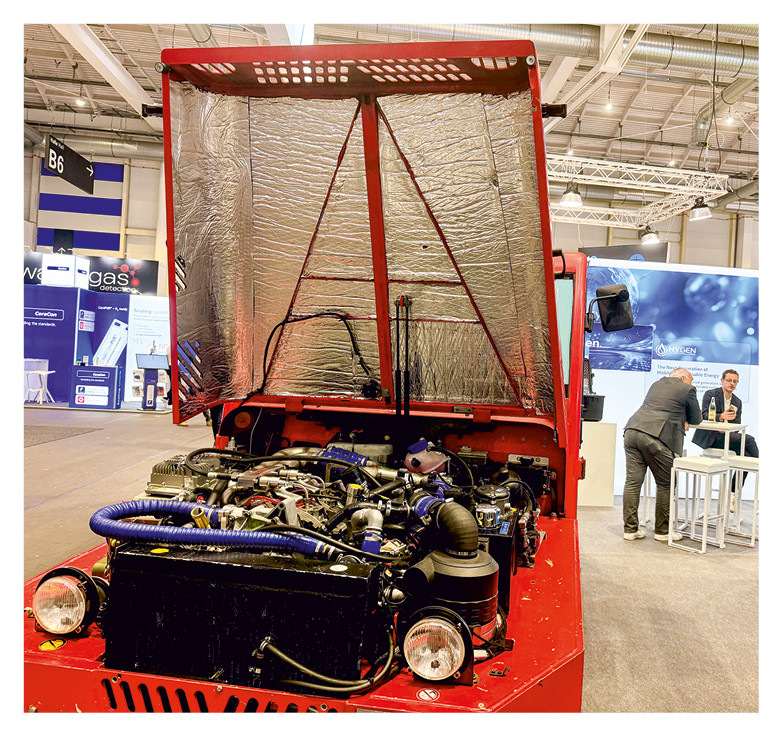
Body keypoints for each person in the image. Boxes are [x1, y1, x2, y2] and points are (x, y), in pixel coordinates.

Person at [622, 367, 702, 542]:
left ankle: (630, 530)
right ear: (683, 378)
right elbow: (697, 419)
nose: (692, 384)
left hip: (632, 431)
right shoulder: (687, 389)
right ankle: (662, 531)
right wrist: (684, 419)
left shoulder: (656, 384)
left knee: (633, 483)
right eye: (691, 380)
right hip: (657, 436)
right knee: (666, 484)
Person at [692, 368, 758, 502]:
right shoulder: (711, 394)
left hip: (728, 437)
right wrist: (720, 417)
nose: (731, 383)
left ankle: (732, 494)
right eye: (728, 380)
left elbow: (737, 423)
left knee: (746, 456)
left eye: (735, 381)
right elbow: (703, 415)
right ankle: (759, 465)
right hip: (711, 437)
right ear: (722, 380)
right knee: (750, 440)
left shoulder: (737, 401)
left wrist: (730, 430)